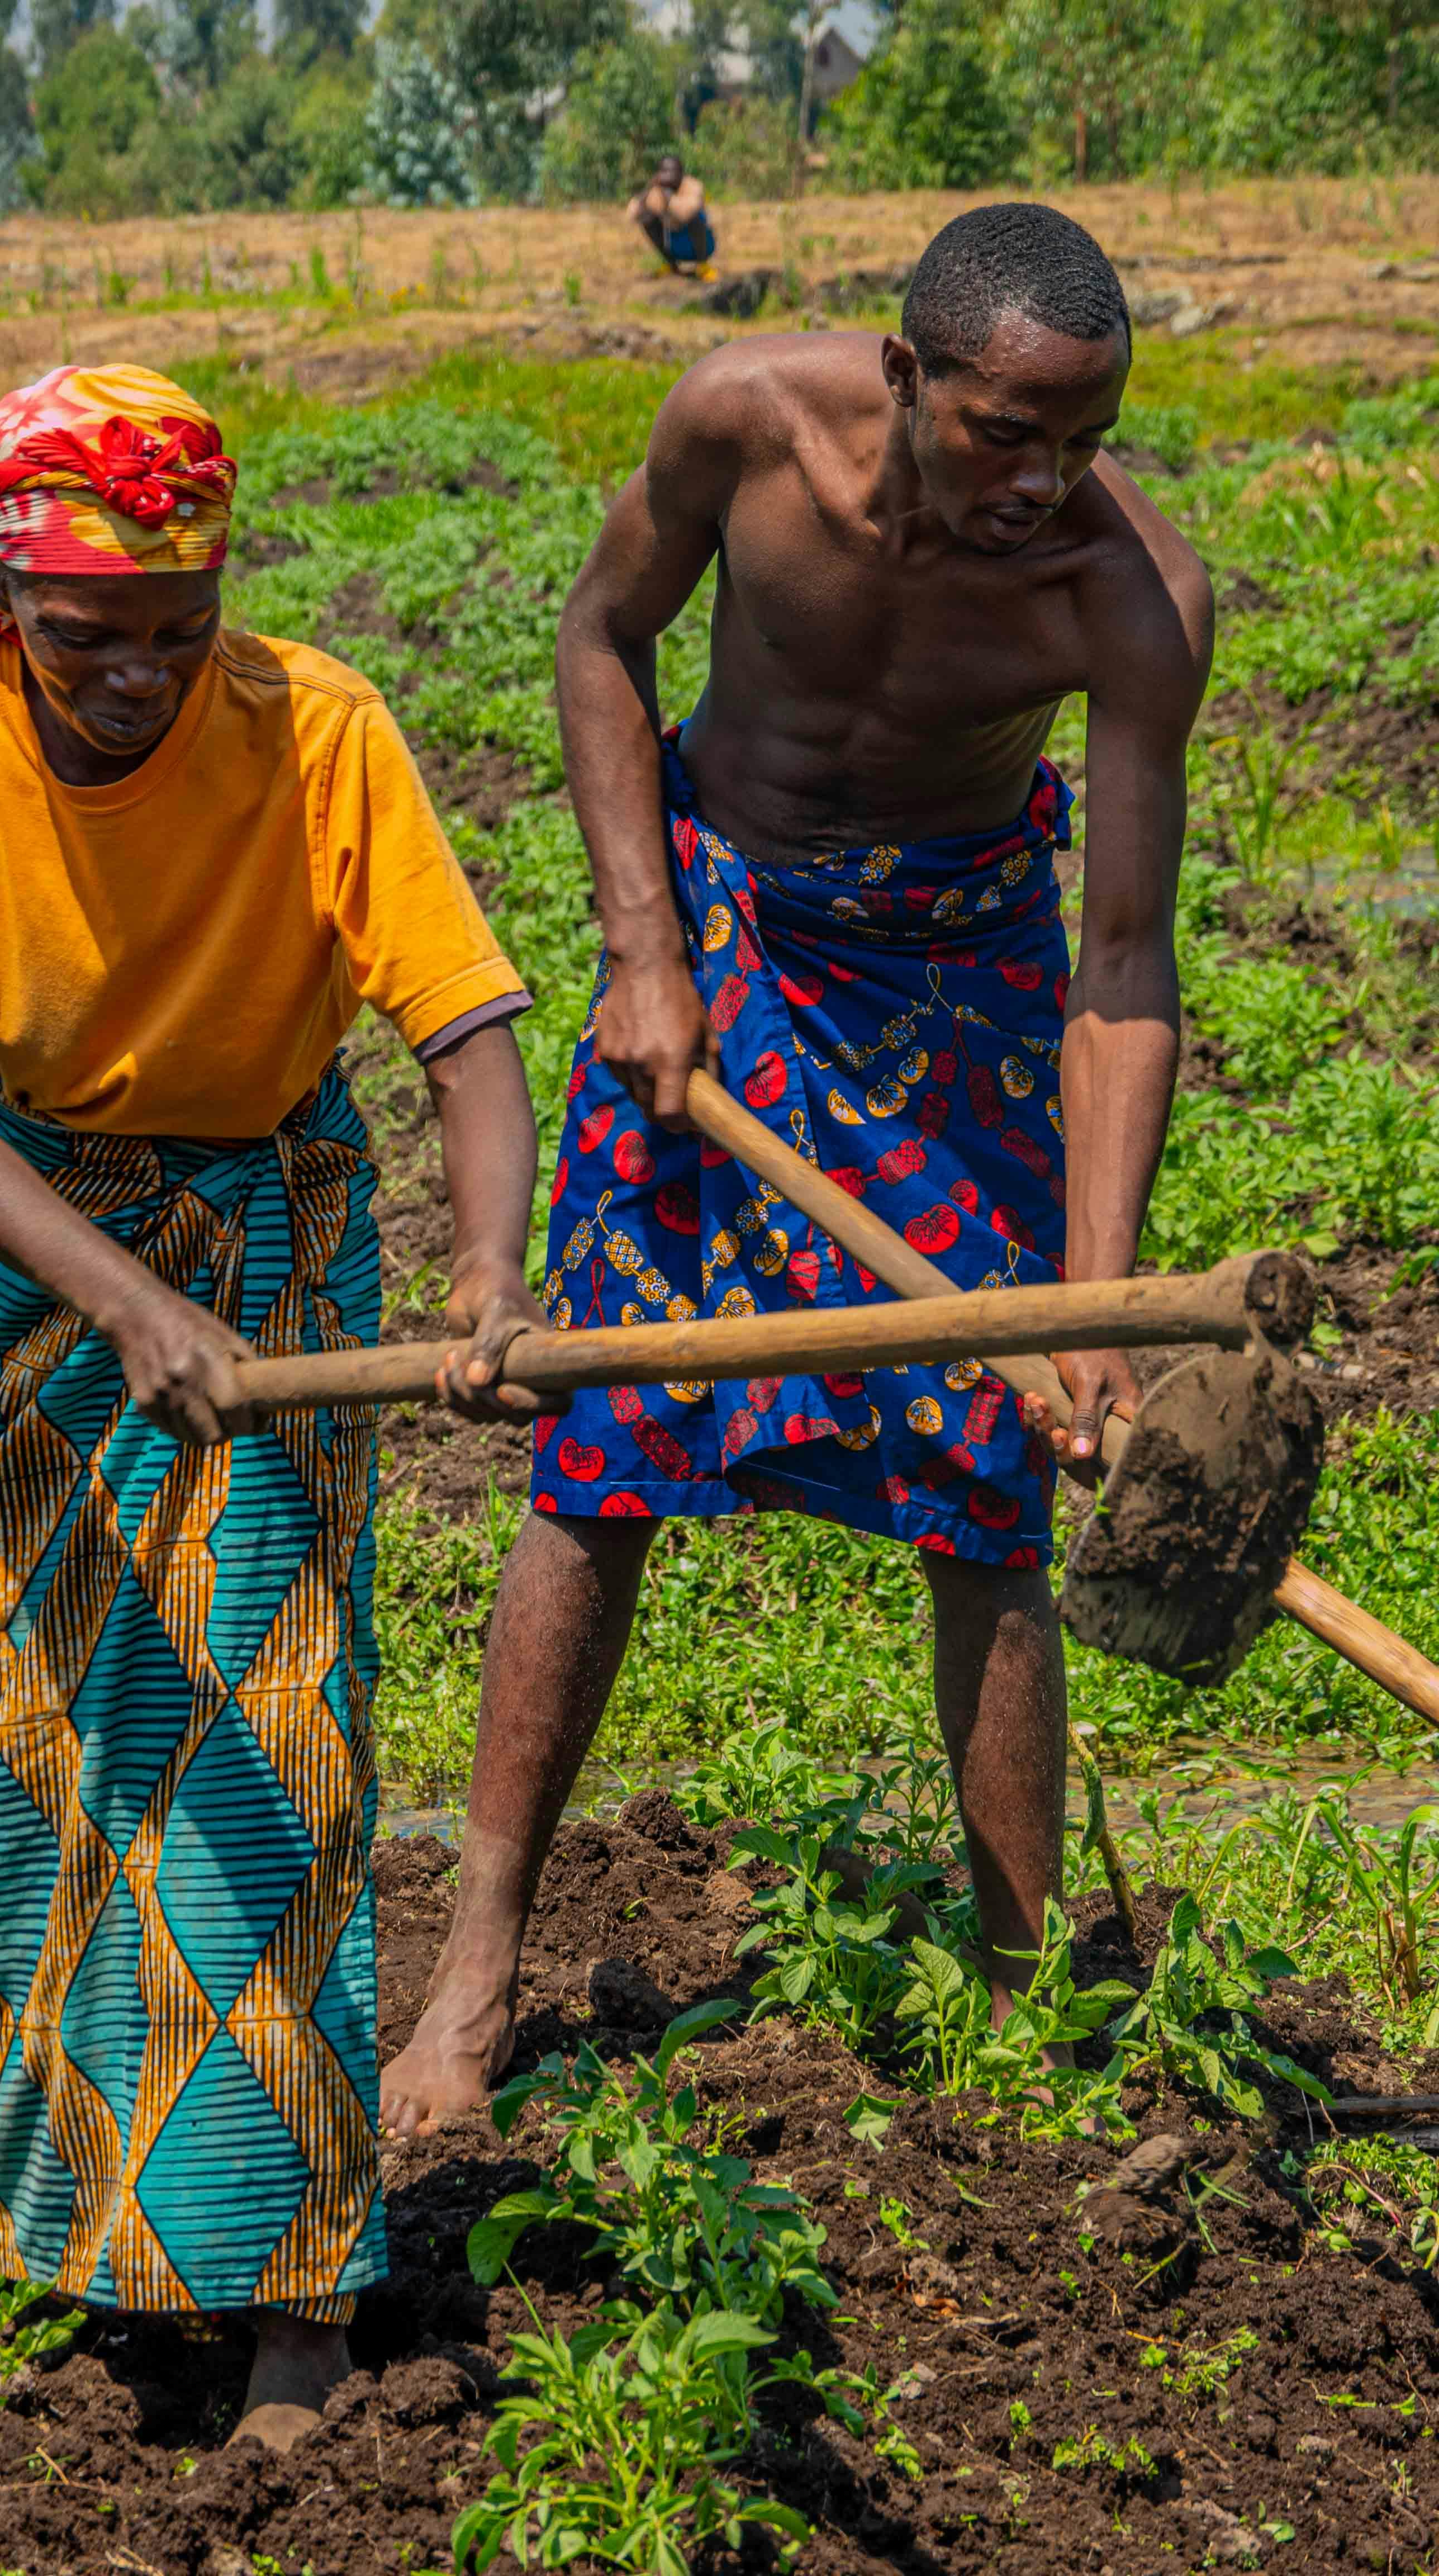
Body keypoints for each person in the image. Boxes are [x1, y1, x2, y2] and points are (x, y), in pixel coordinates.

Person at [381, 201, 1213, 2138]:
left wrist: (1087, 1306)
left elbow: (1119, 967)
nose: (1047, 481)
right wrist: (641, 948)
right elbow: (603, 637)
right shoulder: (740, 423)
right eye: (1007, 432)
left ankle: (1018, 1993)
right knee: (597, 1444)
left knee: (987, 1473)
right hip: (725, 931)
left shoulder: (1130, 595)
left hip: (960, 966)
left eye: (1084, 439)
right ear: (907, 375)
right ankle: (475, 1959)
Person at [0, 362, 543, 2445]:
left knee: (258, 1746)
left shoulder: (312, 727)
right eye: (86, 637)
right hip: (37, 1255)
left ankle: (297, 2287)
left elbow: (468, 1029)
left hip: (268, 1251)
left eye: (176, 630)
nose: (135, 677)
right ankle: (6, 2210)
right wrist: (118, 1292)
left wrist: (489, 1264)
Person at [628, 153, 717, 277]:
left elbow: (686, 213)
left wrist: (668, 196)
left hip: (702, 246)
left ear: (681, 173)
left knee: (696, 217)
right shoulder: (657, 191)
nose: (667, 175)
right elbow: (632, 215)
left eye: (672, 171)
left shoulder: (694, 186)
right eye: (663, 171)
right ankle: (671, 265)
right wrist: (647, 192)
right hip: (675, 245)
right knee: (647, 218)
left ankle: (703, 267)